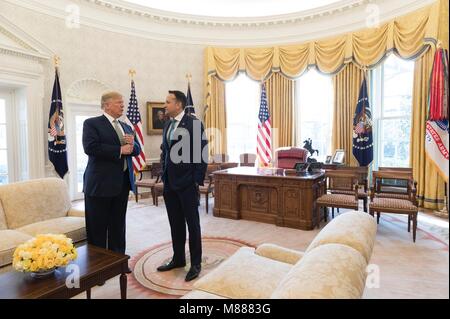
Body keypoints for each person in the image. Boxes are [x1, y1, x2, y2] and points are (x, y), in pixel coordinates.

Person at [157, 90, 208, 282]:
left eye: (168, 102)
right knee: (175, 223)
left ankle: (195, 263)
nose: (165, 105)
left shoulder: (193, 123)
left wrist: (195, 180)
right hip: (170, 183)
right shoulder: (168, 124)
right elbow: (165, 151)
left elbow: (201, 153)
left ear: (178, 105)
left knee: (192, 225)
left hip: (187, 183)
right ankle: (178, 258)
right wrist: (163, 172)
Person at [82, 91, 141, 254]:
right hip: (100, 184)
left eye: (123, 102)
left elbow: (136, 150)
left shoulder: (126, 127)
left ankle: (118, 261)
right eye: (118, 102)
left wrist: (132, 145)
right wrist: (119, 149)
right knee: (98, 227)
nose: (122, 105)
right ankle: (99, 267)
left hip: (121, 183)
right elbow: (90, 148)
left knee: (118, 225)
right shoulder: (91, 123)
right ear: (106, 105)